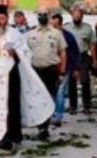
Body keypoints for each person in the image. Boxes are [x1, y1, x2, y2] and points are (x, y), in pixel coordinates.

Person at [0, 4, 53, 150]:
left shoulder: (14, 34)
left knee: (10, 106)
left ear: (7, 19)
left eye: (2, 18)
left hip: (10, 75)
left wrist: (15, 52)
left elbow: (25, 52)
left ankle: (10, 136)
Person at [28, 9, 67, 140]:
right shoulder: (31, 33)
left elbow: (63, 53)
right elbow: (25, 53)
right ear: (36, 16)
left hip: (51, 70)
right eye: (40, 14)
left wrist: (62, 72)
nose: (43, 16)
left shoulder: (56, 33)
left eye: (45, 14)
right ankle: (41, 126)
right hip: (35, 71)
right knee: (37, 99)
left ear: (49, 16)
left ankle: (45, 126)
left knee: (49, 98)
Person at [48, 13, 80, 128]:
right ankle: (51, 114)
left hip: (65, 68)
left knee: (60, 92)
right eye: (51, 24)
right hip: (51, 68)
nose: (52, 27)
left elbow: (76, 52)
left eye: (55, 25)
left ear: (60, 24)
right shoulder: (49, 36)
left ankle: (58, 116)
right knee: (52, 92)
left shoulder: (68, 36)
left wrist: (76, 68)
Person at [64, 6, 97, 115]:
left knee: (85, 81)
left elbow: (92, 45)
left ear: (82, 16)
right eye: (75, 15)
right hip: (71, 57)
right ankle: (73, 106)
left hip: (83, 57)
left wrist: (94, 59)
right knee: (71, 82)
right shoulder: (67, 28)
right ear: (72, 16)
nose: (77, 17)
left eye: (79, 15)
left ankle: (86, 106)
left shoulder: (87, 28)